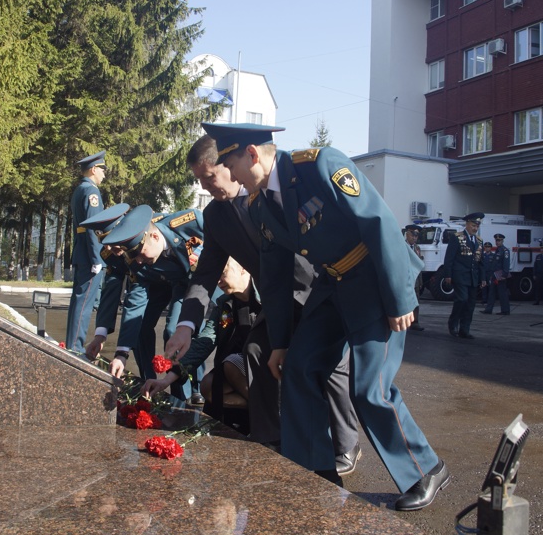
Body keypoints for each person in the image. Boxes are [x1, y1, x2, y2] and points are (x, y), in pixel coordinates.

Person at [207, 122, 448, 511]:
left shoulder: (319, 166)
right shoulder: (260, 205)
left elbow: (379, 222)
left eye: (230, 164)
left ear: (252, 154)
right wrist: (281, 342)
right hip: (333, 284)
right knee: (298, 367)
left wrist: (401, 296)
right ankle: (316, 469)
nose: (230, 175)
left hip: (375, 279)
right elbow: (275, 278)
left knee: (369, 387)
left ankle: (425, 469)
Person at [163, 135, 360, 476]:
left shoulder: (268, 192)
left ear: (229, 164)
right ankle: (272, 437)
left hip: (315, 290)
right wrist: (185, 326)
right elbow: (206, 273)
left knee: (331, 365)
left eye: (209, 177)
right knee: (256, 349)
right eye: (200, 181)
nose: (206, 186)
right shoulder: (216, 216)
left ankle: (346, 444)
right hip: (275, 299)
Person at [90, 204, 208, 403]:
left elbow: (219, 243)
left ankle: (191, 391)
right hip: (159, 283)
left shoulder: (186, 223)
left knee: (174, 331)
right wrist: (121, 352)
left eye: (114, 242)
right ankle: (150, 383)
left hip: (190, 282)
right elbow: (134, 302)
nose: (111, 249)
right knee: (141, 328)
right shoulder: (135, 256)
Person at [142, 257, 256, 423]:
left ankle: (275, 411)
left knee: (231, 363)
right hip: (239, 373)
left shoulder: (267, 297)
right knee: (208, 386)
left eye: (223, 273)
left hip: (267, 371)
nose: (218, 281)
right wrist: (166, 381)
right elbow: (204, 342)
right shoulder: (225, 304)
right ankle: (268, 408)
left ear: (243, 268)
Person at [65, 150, 108, 354]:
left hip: (82, 252)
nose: (104, 174)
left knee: (78, 300)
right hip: (90, 254)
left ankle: (72, 343)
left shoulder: (79, 189)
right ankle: (75, 347)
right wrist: (97, 257)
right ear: (93, 169)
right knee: (84, 303)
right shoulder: (91, 192)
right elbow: (93, 227)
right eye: (102, 169)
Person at [443, 212, 485, 339]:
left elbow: (481, 261)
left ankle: (464, 329)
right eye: (473, 225)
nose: (475, 228)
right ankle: (453, 323)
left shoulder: (479, 240)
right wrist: (448, 274)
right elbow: (449, 258)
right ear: (467, 224)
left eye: (477, 226)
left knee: (470, 303)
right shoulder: (457, 237)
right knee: (462, 299)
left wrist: (483, 278)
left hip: (473, 277)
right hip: (460, 275)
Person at [403, 224, 425, 331]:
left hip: (415, 280)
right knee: (404, 300)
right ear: (407, 234)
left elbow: (419, 265)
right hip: (404, 278)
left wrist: (420, 282)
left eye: (416, 236)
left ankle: (415, 321)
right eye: (412, 235)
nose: (414, 238)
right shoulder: (401, 246)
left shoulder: (417, 248)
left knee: (416, 300)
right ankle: (404, 321)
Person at [482, 234, 511, 315]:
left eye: (499, 240)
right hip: (495, 275)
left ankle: (505, 310)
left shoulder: (505, 251)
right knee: (491, 292)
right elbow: (494, 264)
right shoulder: (498, 250)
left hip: (501, 275)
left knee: (502, 293)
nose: (497, 242)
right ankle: (488, 309)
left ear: (502, 241)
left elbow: (506, 264)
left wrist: (504, 275)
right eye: (496, 240)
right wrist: (492, 275)